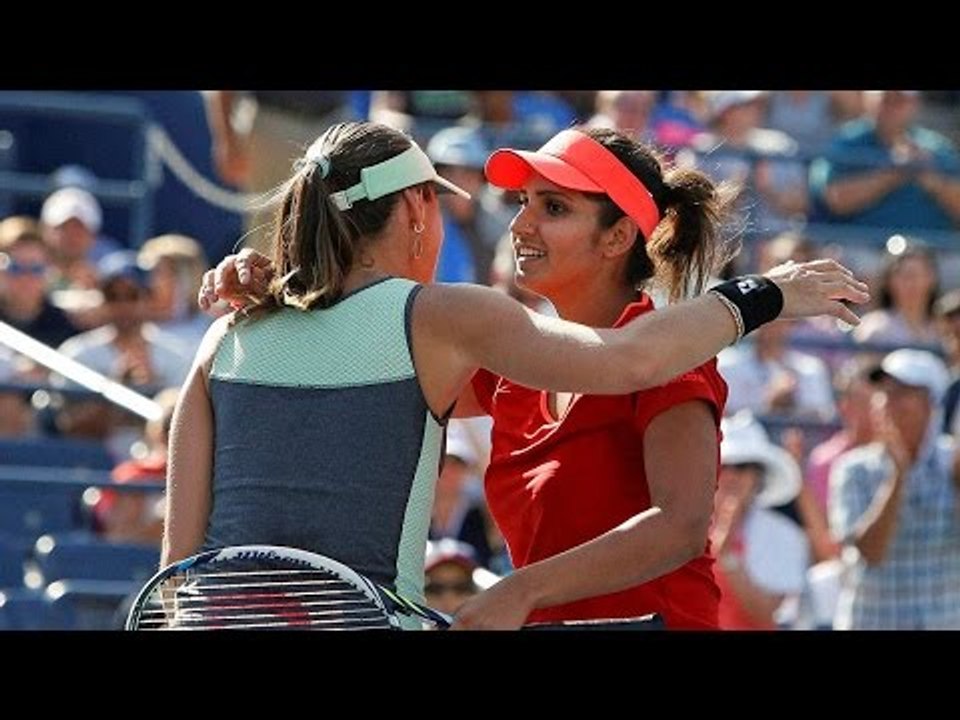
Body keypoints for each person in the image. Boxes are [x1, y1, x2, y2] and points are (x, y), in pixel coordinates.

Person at [186, 121, 868, 628]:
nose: (520, 223)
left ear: (616, 238)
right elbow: (362, 358)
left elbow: (683, 527)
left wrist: (521, 589)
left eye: (554, 207)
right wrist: (285, 285)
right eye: (523, 202)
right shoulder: (502, 359)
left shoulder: (671, 356)